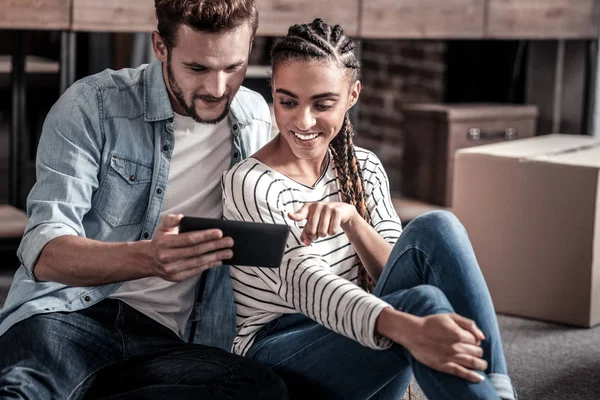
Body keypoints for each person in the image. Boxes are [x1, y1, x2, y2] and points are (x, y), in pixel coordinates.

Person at [0, 1, 288, 398]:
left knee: (258, 388)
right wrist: (148, 258)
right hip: (67, 317)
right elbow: (45, 252)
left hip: (168, 342)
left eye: (233, 67)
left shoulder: (255, 117)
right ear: (160, 46)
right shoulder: (92, 105)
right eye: (197, 68)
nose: (217, 88)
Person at [222, 18, 517, 400]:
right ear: (272, 94)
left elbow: (398, 270)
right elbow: (305, 284)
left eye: (323, 103)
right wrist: (405, 327)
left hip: (361, 341)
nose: (303, 120)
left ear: (353, 95)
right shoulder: (249, 182)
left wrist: (353, 220)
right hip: (282, 355)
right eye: (287, 101)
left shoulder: (365, 166)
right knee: (421, 307)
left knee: (438, 228)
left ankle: (500, 389)